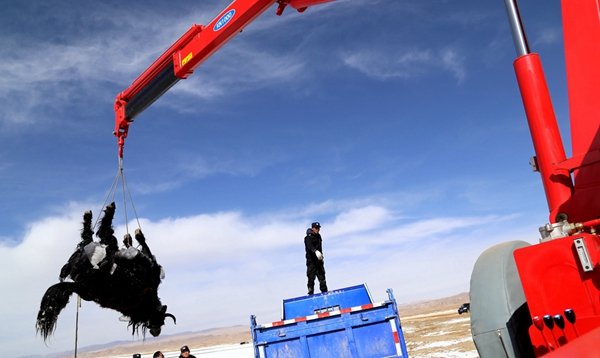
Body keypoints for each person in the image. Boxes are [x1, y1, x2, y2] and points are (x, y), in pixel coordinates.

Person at [304, 222, 327, 295]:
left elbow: (320, 248)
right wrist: (315, 251)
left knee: (322, 279)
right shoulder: (308, 237)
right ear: (313, 228)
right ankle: (310, 294)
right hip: (311, 262)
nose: (318, 229)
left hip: (319, 262)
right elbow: (309, 246)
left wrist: (321, 255)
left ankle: (325, 293)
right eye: (316, 228)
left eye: (319, 228)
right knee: (311, 278)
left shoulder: (319, 236)